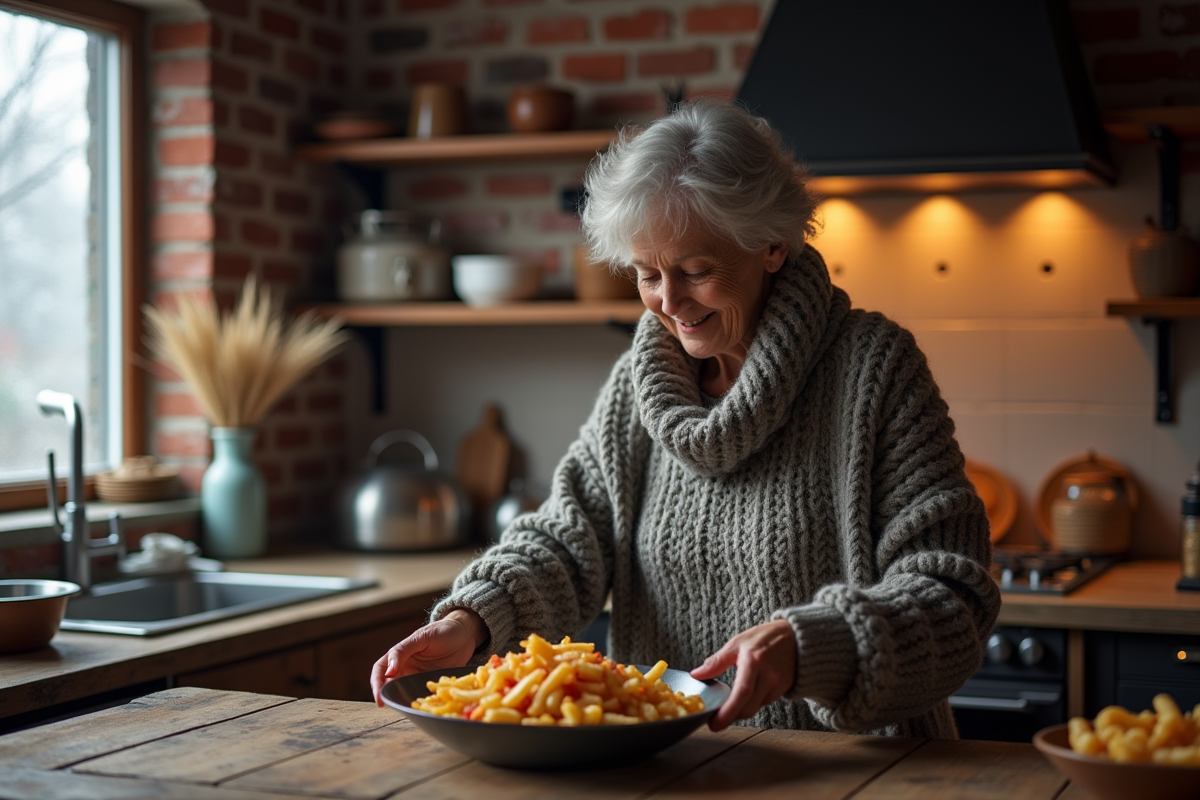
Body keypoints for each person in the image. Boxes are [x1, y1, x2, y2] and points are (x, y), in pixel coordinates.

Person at [370, 99, 1001, 737]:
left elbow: (953, 594)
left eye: (697, 271)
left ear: (772, 245)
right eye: (647, 275)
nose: (669, 303)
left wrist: (815, 646)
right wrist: (475, 617)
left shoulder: (873, 371)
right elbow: (569, 541)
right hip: (673, 768)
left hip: (855, 772)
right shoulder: (639, 386)